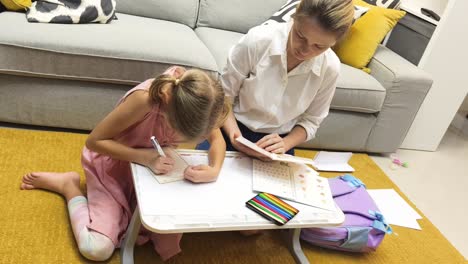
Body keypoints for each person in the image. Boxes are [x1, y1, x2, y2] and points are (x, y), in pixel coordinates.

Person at [20, 66, 230, 261]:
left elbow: (217, 140)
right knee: (97, 248)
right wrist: (146, 158)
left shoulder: (200, 101)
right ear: (167, 105)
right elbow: (94, 142)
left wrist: (214, 169)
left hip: (153, 172)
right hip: (113, 167)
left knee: (166, 235)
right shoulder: (145, 100)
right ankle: (69, 186)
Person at [199, 0, 354, 159]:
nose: (305, 50)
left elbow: (312, 121)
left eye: (319, 47)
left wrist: (286, 143)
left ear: (333, 44)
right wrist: (235, 136)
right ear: (294, 18)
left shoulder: (330, 68)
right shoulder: (257, 40)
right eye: (300, 35)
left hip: (277, 144)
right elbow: (223, 97)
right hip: (229, 127)